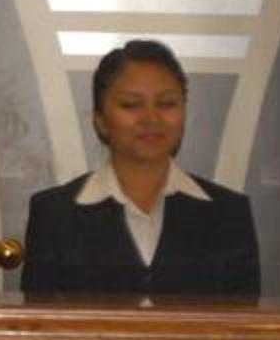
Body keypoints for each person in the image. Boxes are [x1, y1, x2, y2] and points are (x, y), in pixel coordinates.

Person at [19, 38, 260, 297]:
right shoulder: (54, 214)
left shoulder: (229, 214)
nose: (151, 118)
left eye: (167, 103)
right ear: (100, 120)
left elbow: (244, 320)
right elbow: (40, 319)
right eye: (131, 105)